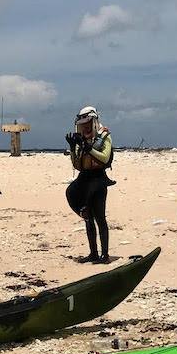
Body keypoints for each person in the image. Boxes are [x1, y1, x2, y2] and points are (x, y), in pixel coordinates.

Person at [64, 105, 114, 263]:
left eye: (87, 124)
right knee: (86, 216)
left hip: (98, 179)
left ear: (93, 122)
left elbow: (104, 158)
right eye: (82, 125)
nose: (85, 128)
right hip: (84, 178)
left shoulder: (104, 136)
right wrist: (73, 148)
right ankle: (93, 253)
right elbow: (77, 165)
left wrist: (88, 149)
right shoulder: (81, 139)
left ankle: (104, 255)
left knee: (100, 217)